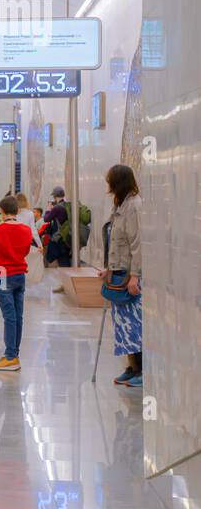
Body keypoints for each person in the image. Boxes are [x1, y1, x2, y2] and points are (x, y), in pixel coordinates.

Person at [102, 164, 143, 387]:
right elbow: (115, 244)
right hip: (118, 273)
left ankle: (142, 369)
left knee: (134, 324)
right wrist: (109, 268)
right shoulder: (120, 205)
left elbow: (137, 244)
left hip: (130, 276)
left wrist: (135, 276)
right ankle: (132, 367)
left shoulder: (134, 206)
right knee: (123, 325)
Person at [0, 195, 33, 371]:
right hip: (20, 273)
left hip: (2, 273)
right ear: (18, 211)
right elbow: (26, 250)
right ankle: (14, 354)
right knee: (18, 316)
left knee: (8, 316)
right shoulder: (26, 230)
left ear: (2, 211)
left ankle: (10, 357)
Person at [43, 186, 72, 268]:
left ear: (55, 197)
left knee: (56, 261)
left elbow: (46, 219)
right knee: (64, 261)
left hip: (58, 239)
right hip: (66, 237)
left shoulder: (57, 208)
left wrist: (48, 210)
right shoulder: (67, 205)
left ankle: (63, 279)